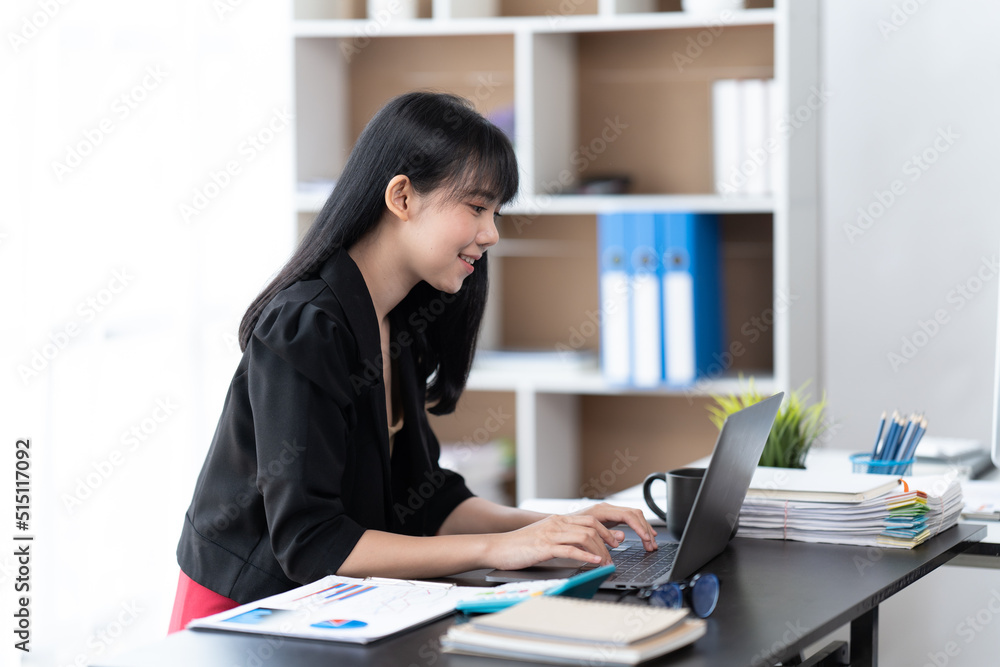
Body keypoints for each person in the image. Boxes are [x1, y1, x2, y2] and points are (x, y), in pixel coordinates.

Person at [169, 91, 657, 633]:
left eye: (495, 213)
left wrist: (555, 526)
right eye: (476, 207)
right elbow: (311, 542)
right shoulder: (305, 325)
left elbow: (426, 498)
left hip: (331, 607)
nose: (491, 233)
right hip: (245, 613)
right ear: (402, 196)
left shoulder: (400, 317)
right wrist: (499, 547)